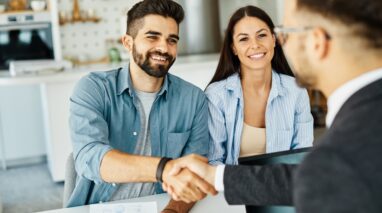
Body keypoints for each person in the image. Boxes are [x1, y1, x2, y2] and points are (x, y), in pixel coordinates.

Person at [165, 0, 382, 212]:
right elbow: (311, 176)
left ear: (316, 42)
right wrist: (214, 176)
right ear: (233, 47)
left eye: (286, 31)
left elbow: (311, 173)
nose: (282, 40)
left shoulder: (341, 147)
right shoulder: (362, 120)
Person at [67, 0, 216, 211]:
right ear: (128, 42)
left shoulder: (194, 99)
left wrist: (172, 211)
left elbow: (193, 175)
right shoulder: (93, 88)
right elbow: (90, 158)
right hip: (100, 206)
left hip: (161, 206)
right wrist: (163, 169)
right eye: (152, 37)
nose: (164, 47)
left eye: (171, 40)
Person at [206, 6, 313, 165]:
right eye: (244, 39)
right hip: (233, 187)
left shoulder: (296, 90)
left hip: (282, 185)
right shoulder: (216, 95)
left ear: (274, 39)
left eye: (261, 35)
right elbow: (213, 161)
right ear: (234, 48)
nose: (255, 45)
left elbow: (302, 155)